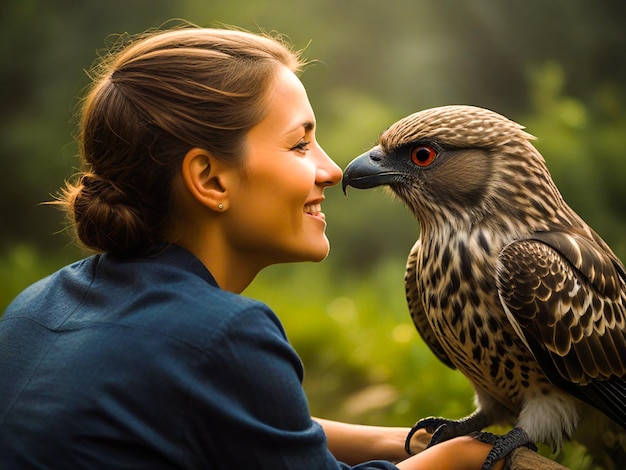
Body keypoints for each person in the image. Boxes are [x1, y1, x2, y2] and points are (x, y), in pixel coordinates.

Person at [0, 25, 504, 469]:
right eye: (300, 144)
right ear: (210, 179)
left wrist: (399, 440)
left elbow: (226, 422)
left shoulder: (34, 306)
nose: (332, 170)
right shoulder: (223, 336)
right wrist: (461, 456)